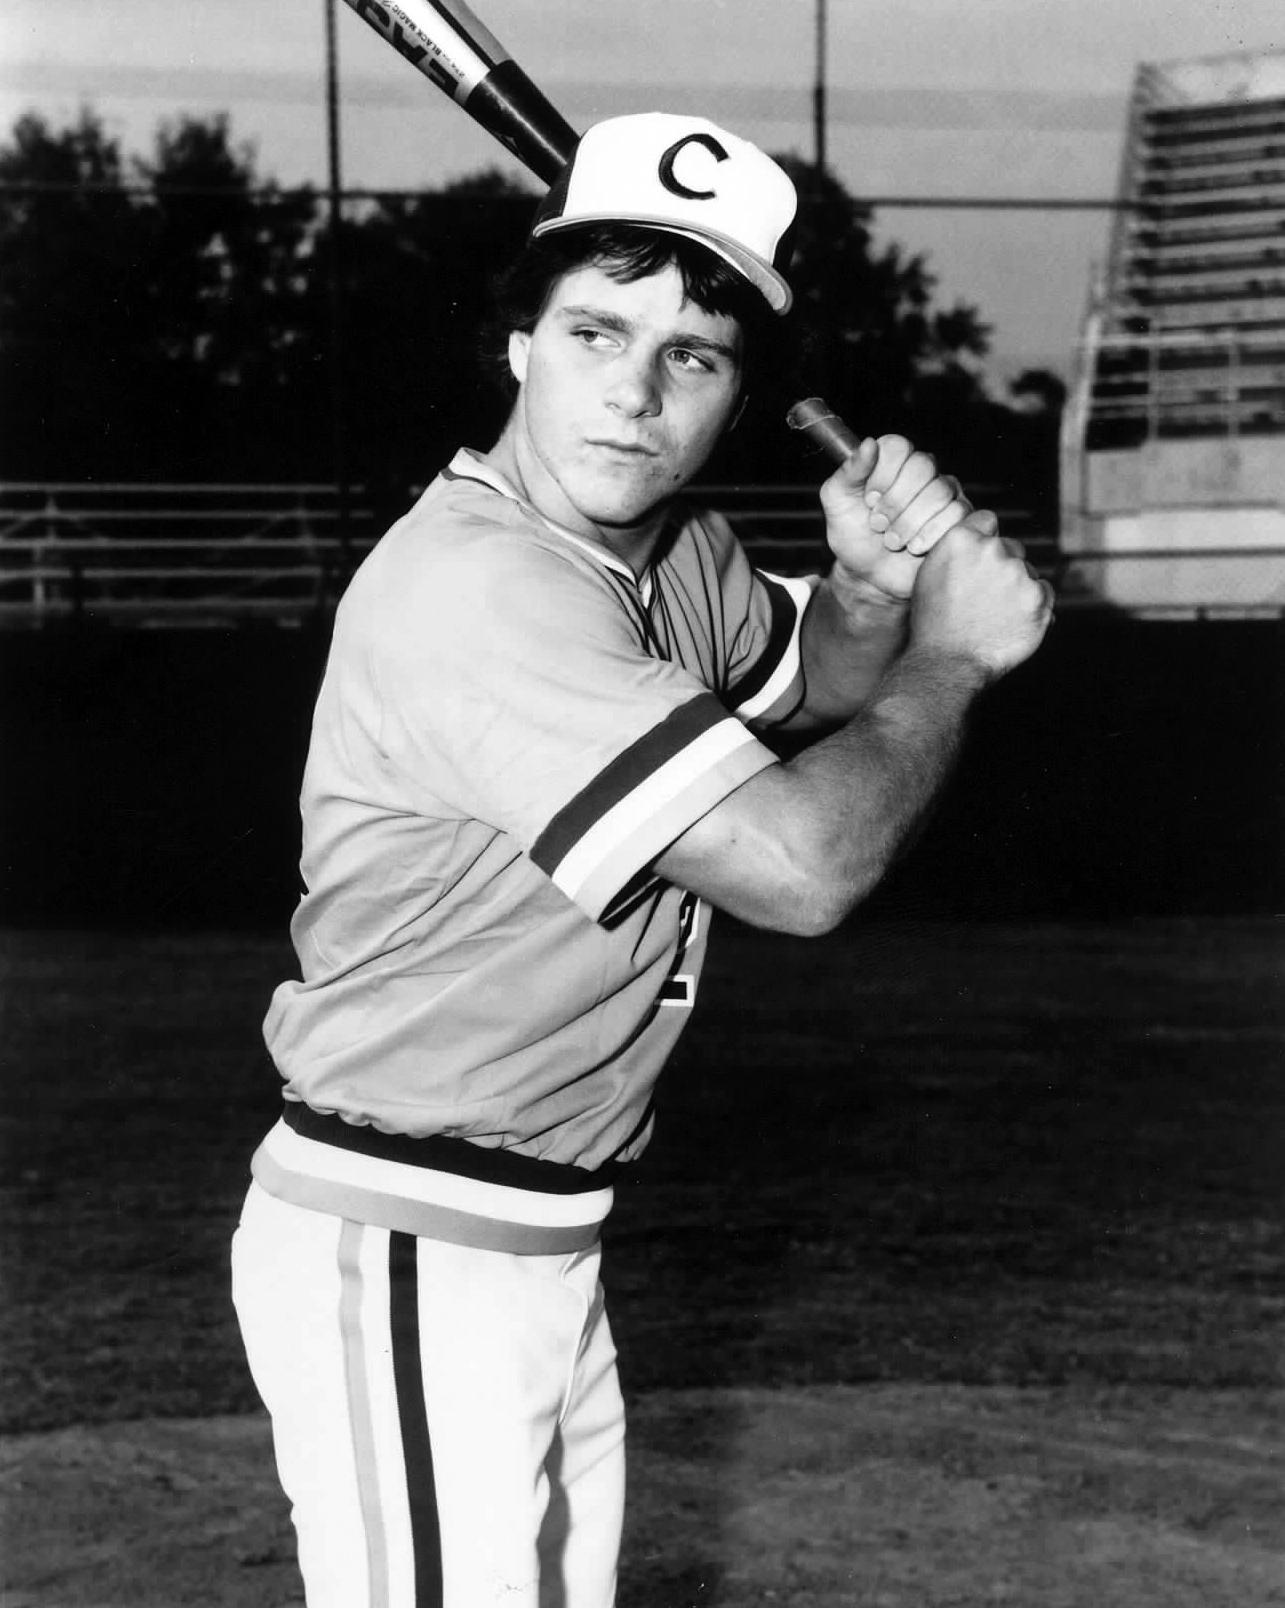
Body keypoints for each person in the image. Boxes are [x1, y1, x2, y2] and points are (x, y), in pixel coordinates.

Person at [231, 112, 1052, 1608]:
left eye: (692, 353)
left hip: (536, 1236)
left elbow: (807, 694)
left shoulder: (667, 552)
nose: (634, 390)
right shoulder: (478, 591)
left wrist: (868, 595)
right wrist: (953, 657)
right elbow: (801, 867)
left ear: (734, 394)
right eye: (594, 329)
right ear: (517, 346)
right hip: (411, 1232)